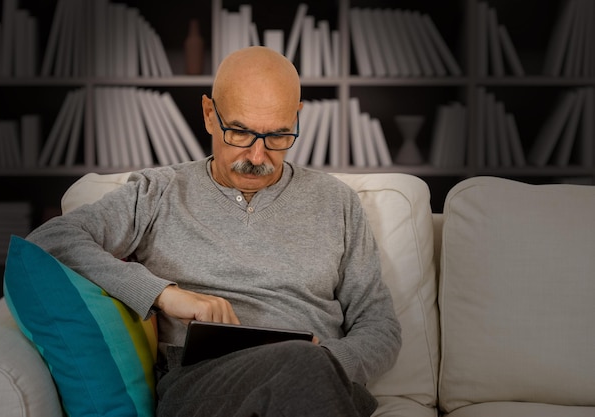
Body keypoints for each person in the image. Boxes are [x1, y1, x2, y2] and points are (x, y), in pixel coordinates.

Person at [26, 46, 401, 417]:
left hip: (320, 378)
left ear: (297, 118)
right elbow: (52, 240)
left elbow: (379, 325)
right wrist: (164, 295)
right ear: (209, 114)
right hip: (202, 387)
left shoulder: (337, 202)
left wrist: (329, 359)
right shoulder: (159, 192)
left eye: (277, 137)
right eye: (239, 132)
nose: (257, 158)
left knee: (303, 369)